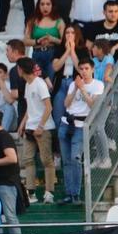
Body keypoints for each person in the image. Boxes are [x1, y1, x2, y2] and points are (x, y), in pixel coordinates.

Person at [58, 58, 102, 205]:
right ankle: (68, 193)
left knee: (75, 159)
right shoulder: (72, 84)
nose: (83, 71)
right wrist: (76, 88)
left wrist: (82, 88)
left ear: (92, 69)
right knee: (66, 161)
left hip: (81, 124)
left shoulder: (97, 85)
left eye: (86, 68)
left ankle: (75, 194)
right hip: (67, 122)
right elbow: (66, 103)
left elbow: (92, 104)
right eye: (81, 69)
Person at [17, 57, 55, 204]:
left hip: (42, 127)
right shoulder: (28, 84)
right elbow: (30, 107)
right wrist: (22, 124)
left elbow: (48, 107)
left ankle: (49, 192)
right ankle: (31, 192)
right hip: (30, 127)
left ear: (21, 69)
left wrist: (40, 126)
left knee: (46, 160)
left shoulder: (39, 84)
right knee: (28, 159)